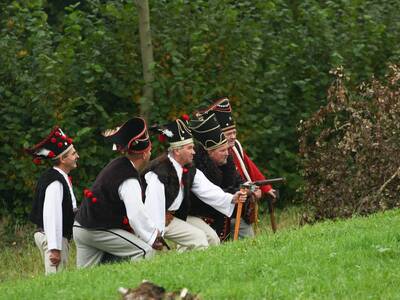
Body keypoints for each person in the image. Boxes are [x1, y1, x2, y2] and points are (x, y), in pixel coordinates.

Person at [144, 116, 246, 250]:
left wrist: (232, 198)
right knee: (199, 239)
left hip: (176, 217)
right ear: (177, 151)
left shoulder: (189, 168)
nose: (194, 151)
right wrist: (156, 234)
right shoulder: (160, 172)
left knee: (212, 238)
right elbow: (152, 204)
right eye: (190, 148)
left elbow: (208, 190)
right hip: (153, 220)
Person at [73, 117, 163, 268]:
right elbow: (136, 214)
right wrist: (152, 237)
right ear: (144, 154)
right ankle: (138, 290)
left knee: (86, 276)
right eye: (150, 150)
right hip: (97, 229)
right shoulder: (129, 178)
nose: (150, 152)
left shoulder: (117, 164)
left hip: (81, 228)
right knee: (145, 252)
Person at [201, 97, 276, 238]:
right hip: (220, 205)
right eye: (228, 134)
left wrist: (265, 188)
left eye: (234, 132)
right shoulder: (207, 158)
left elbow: (249, 169)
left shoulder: (236, 147)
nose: (233, 137)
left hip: (239, 199)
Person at [26, 126, 79, 275]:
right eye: (73, 154)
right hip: (51, 237)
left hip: (53, 236)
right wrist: (54, 248)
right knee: (56, 282)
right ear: (62, 159)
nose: (77, 156)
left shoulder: (59, 177)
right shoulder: (55, 181)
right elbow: (52, 215)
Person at [188, 112, 244, 241]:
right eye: (222, 151)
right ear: (210, 152)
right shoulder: (196, 167)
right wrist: (232, 196)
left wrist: (245, 191)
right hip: (195, 214)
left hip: (222, 208)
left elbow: (237, 181)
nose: (227, 154)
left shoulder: (227, 162)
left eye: (226, 150)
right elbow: (204, 194)